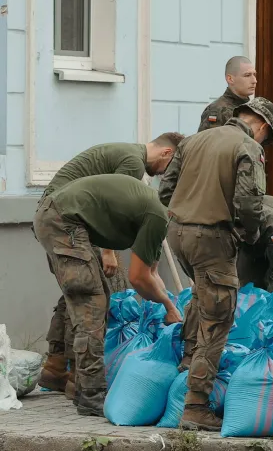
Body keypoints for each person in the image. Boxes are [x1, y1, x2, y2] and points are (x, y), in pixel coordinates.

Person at [161, 97, 273, 431]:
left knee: (201, 296)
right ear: (262, 126)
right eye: (266, 138)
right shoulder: (247, 146)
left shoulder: (193, 140)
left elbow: (165, 190)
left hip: (178, 233)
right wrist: (249, 235)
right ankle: (196, 404)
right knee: (217, 320)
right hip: (212, 238)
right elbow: (249, 201)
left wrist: (188, 210)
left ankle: (187, 361)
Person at [35, 134, 184, 394]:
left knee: (81, 290)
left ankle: (58, 369)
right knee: (91, 299)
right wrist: (169, 306)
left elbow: (150, 272)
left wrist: (169, 303)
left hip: (60, 213)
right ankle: (88, 390)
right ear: (166, 153)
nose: (163, 174)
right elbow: (139, 278)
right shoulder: (135, 168)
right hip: (65, 218)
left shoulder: (151, 206)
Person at [198, 56, 257, 132]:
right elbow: (208, 142)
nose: (254, 80)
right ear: (230, 79)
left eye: (254, 75)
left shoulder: (251, 109)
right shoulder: (216, 110)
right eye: (247, 75)